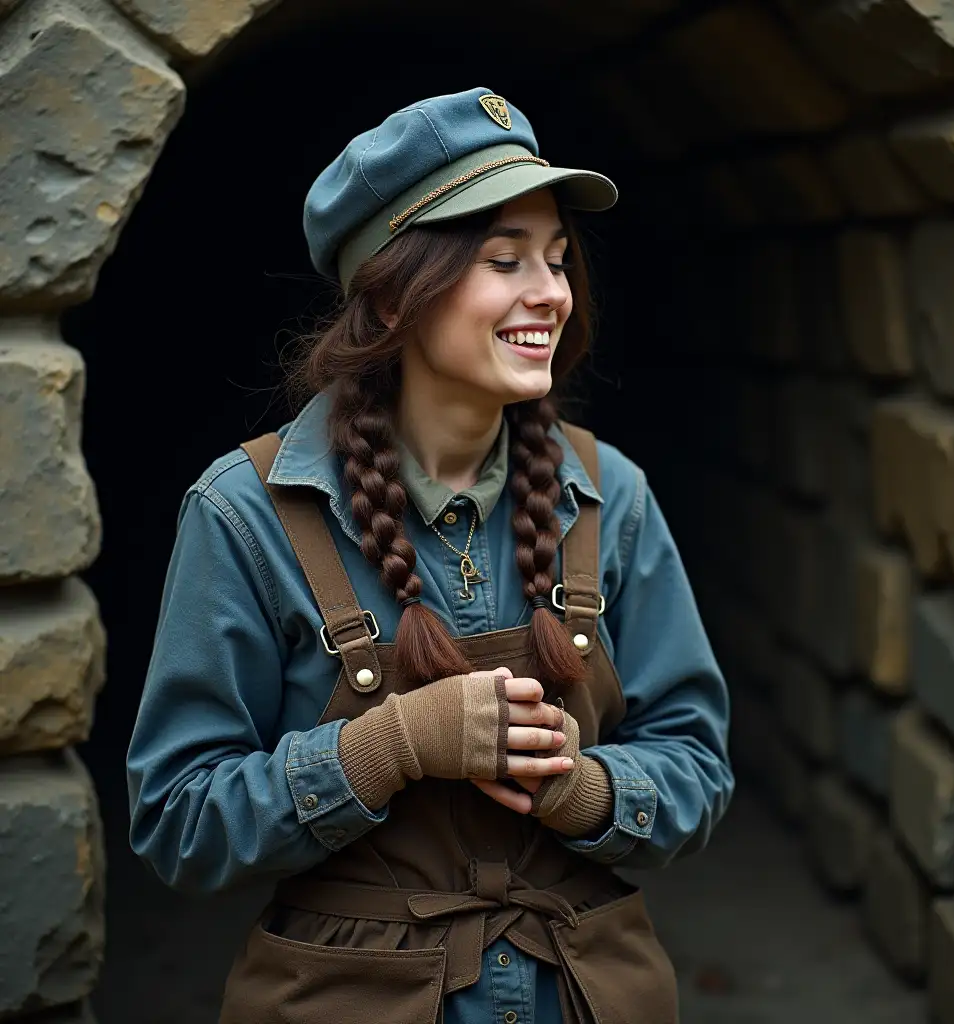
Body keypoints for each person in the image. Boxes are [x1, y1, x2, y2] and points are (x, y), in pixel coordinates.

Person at [126, 86, 733, 1024]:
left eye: (560, 260)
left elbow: (697, 763)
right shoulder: (245, 512)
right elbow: (180, 824)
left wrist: (587, 790)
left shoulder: (612, 494)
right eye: (504, 260)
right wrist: (388, 747)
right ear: (395, 291)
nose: (552, 294)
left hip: (582, 992)